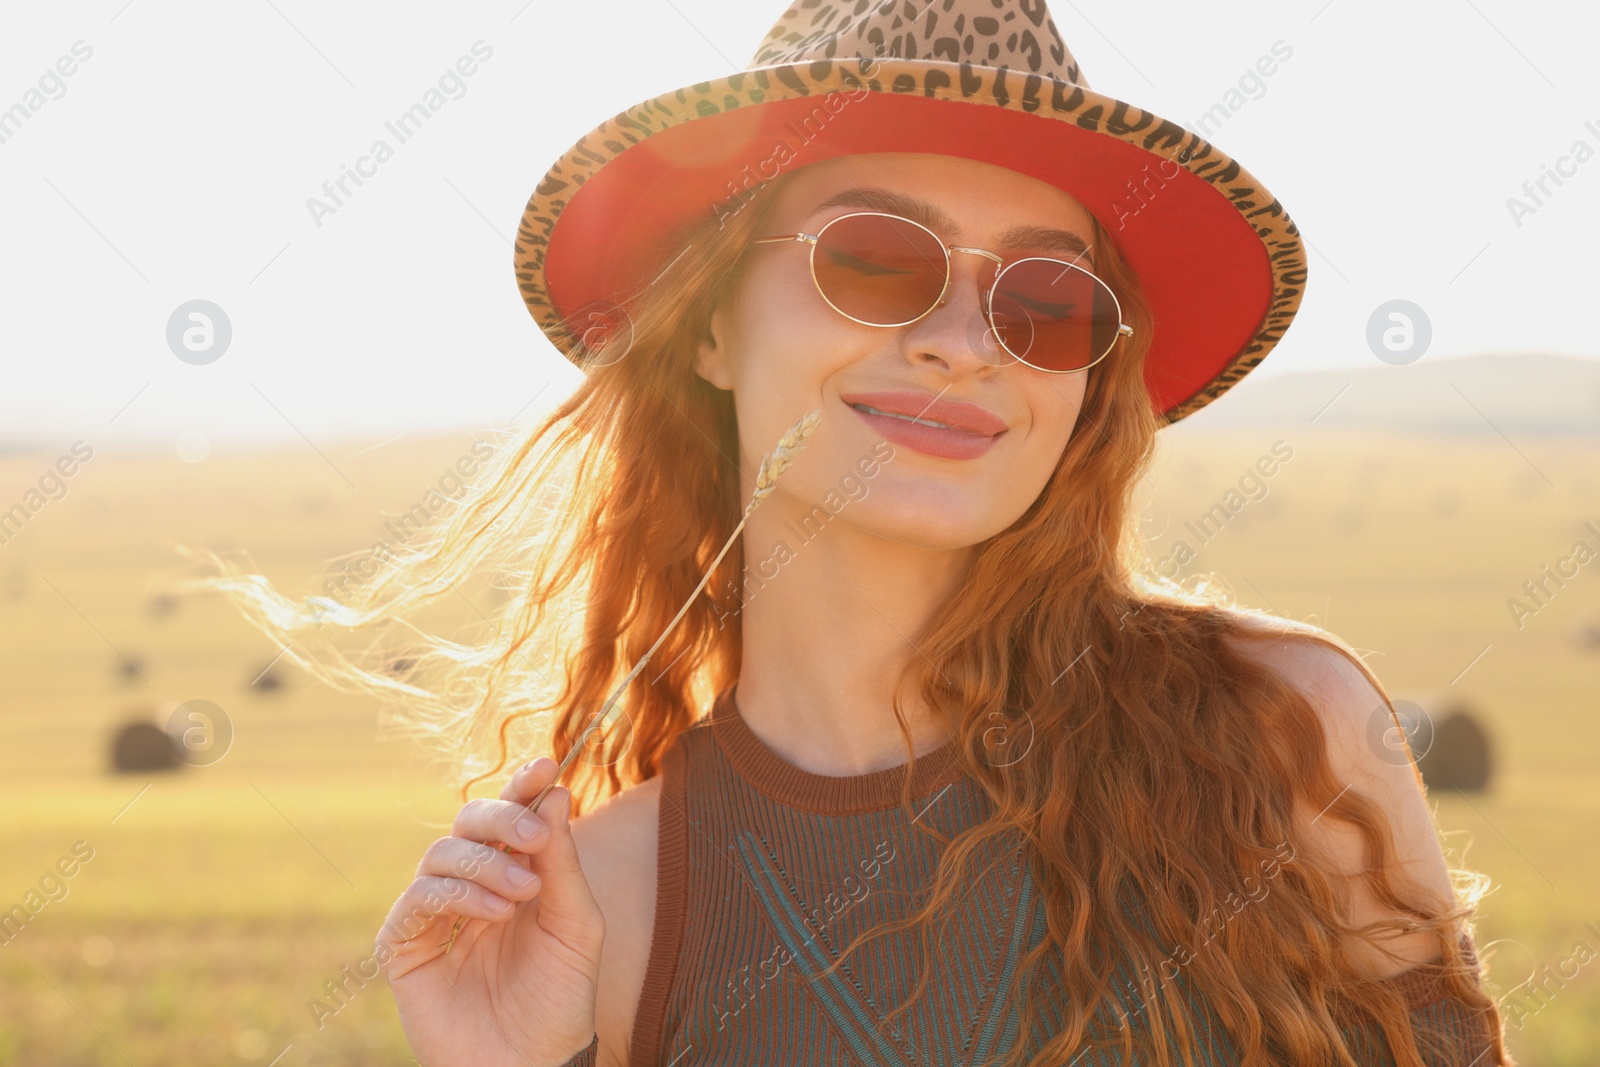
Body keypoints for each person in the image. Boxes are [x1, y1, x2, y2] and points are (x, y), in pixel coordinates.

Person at [200, 1, 1512, 1064]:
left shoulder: (1284, 731)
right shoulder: (609, 894)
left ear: (1087, 383)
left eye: (1048, 302)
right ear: (709, 323)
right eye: (876, 261)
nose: (958, 343)